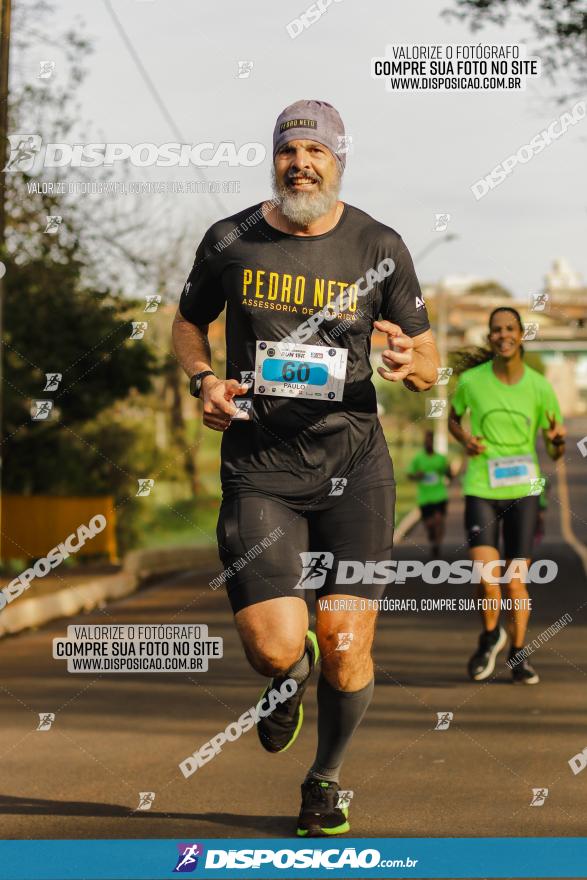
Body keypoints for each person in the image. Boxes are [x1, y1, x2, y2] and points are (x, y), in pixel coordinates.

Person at [172, 99, 439, 836]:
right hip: (260, 468)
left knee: (348, 650)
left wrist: (405, 362)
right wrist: (203, 381)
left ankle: (324, 780)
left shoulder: (378, 244)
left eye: (315, 152)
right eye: (289, 151)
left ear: (337, 161)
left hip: (356, 463)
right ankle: (286, 678)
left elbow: (425, 360)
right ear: (275, 159)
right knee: (272, 649)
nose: (301, 163)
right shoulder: (231, 239)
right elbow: (190, 321)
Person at [448, 307, 566, 685]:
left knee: (515, 581)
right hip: (481, 486)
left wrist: (559, 441)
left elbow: (555, 448)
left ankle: (518, 653)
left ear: (520, 335)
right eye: (496, 330)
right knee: (487, 576)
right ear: (490, 336)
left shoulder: (540, 387)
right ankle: (489, 636)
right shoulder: (471, 381)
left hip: (525, 491)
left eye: (510, 328)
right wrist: (466, 439)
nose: (503, 335)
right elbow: (453, 418)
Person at [408, 429, 452, 557]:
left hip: (439, 494)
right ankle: (433, 538)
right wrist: (417, 475)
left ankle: (437, 544)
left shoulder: (440, 458)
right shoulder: (418, 459)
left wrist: (448, 470)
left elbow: (449, 475)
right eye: (425, 441)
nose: (427, 443)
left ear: (433, 442)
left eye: (429, 441)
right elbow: (409, 475)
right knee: (429, 524)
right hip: (424, 497)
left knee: (439, 520)